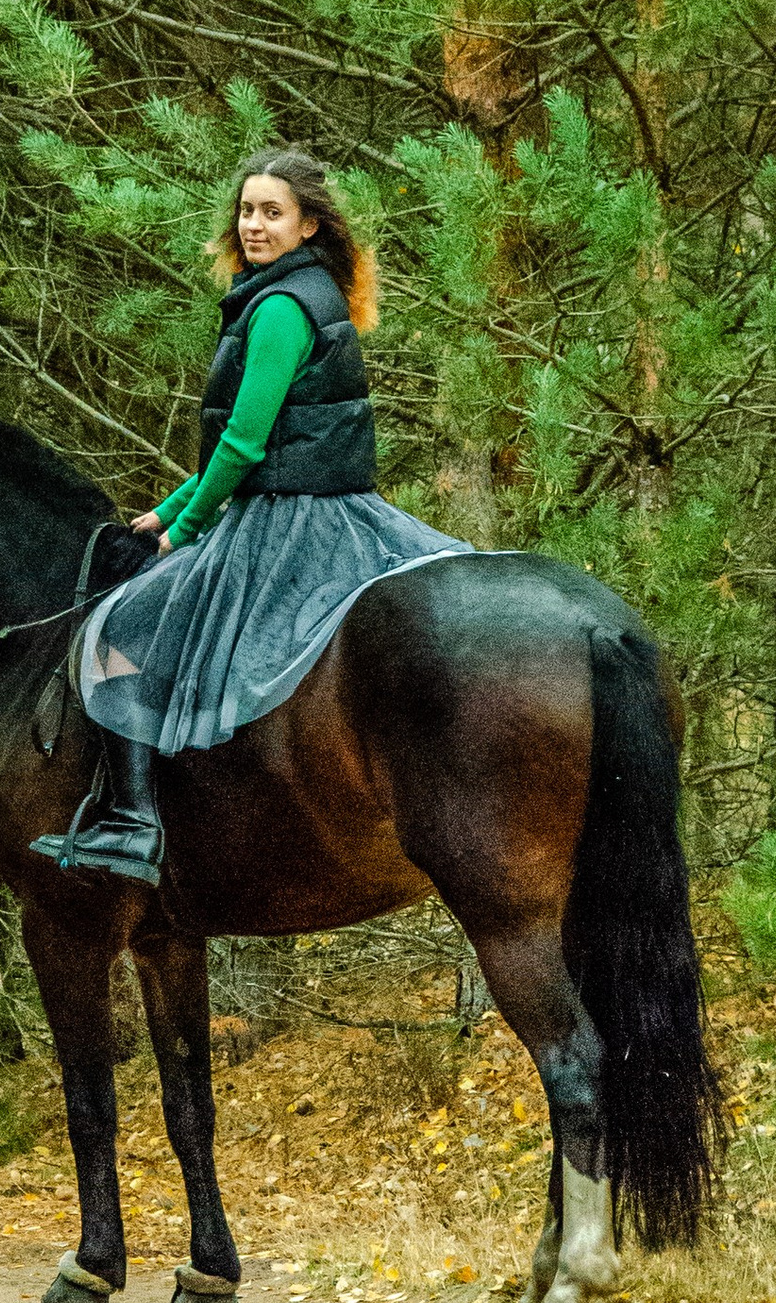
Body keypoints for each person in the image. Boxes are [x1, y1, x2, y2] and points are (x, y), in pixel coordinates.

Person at [31, 146, 467, 881]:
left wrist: (184, 528)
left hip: (289, 519)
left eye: (272, 212)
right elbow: (243, 446)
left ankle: (136, 824)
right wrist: (165, 508)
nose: (255, 224)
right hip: (332, 506)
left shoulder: (280, 309)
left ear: (307, 226)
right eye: (246, 210)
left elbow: (242, 441)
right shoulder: (306, 292)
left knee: (123, 628)